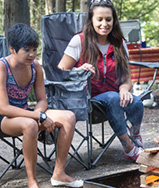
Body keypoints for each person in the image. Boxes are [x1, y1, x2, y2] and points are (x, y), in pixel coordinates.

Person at [58, 0, 144, 161]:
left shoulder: (119, 43)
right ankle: (129, 147)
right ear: (91, 20)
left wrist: (124, 89)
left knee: (137, 103)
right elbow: (60, 71)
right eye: (99, 19)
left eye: (108, 19)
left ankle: (135, 135)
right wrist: (78, 69)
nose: (104, 24)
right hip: (88, 101)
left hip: (115, 97)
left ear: (114, 20)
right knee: (112, 97)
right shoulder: (79, 41)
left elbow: (126, 77)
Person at [0, 24, 83, 188]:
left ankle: (59, 173)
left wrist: (39, 113)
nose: (32, 55)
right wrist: (39, 117)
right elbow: (3, 108)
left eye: (34, 49)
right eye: (27, 50)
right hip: (5, 119)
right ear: (12, 49)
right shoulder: (2, 67)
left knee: (68, 117)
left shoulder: (35, 66)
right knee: (30, 124)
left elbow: (42, 100)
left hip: (28, 114)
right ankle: (32, 181)